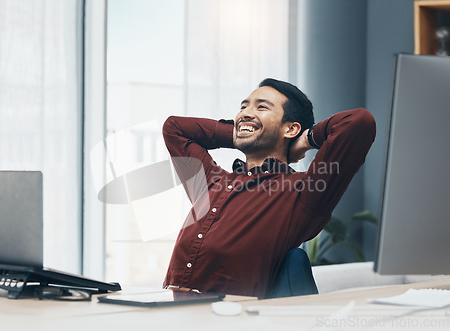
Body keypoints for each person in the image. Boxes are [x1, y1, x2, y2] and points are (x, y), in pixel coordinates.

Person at [161, 78, 376, 299]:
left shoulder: (305, 192)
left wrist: (307, 139)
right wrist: (243, 132)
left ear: (291, 128)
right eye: (243, 107)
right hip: (170, 311)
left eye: (261, 107)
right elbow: (174, 128)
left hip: (231, 319)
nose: (245, 113)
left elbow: (358, 122)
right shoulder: (212, 181)